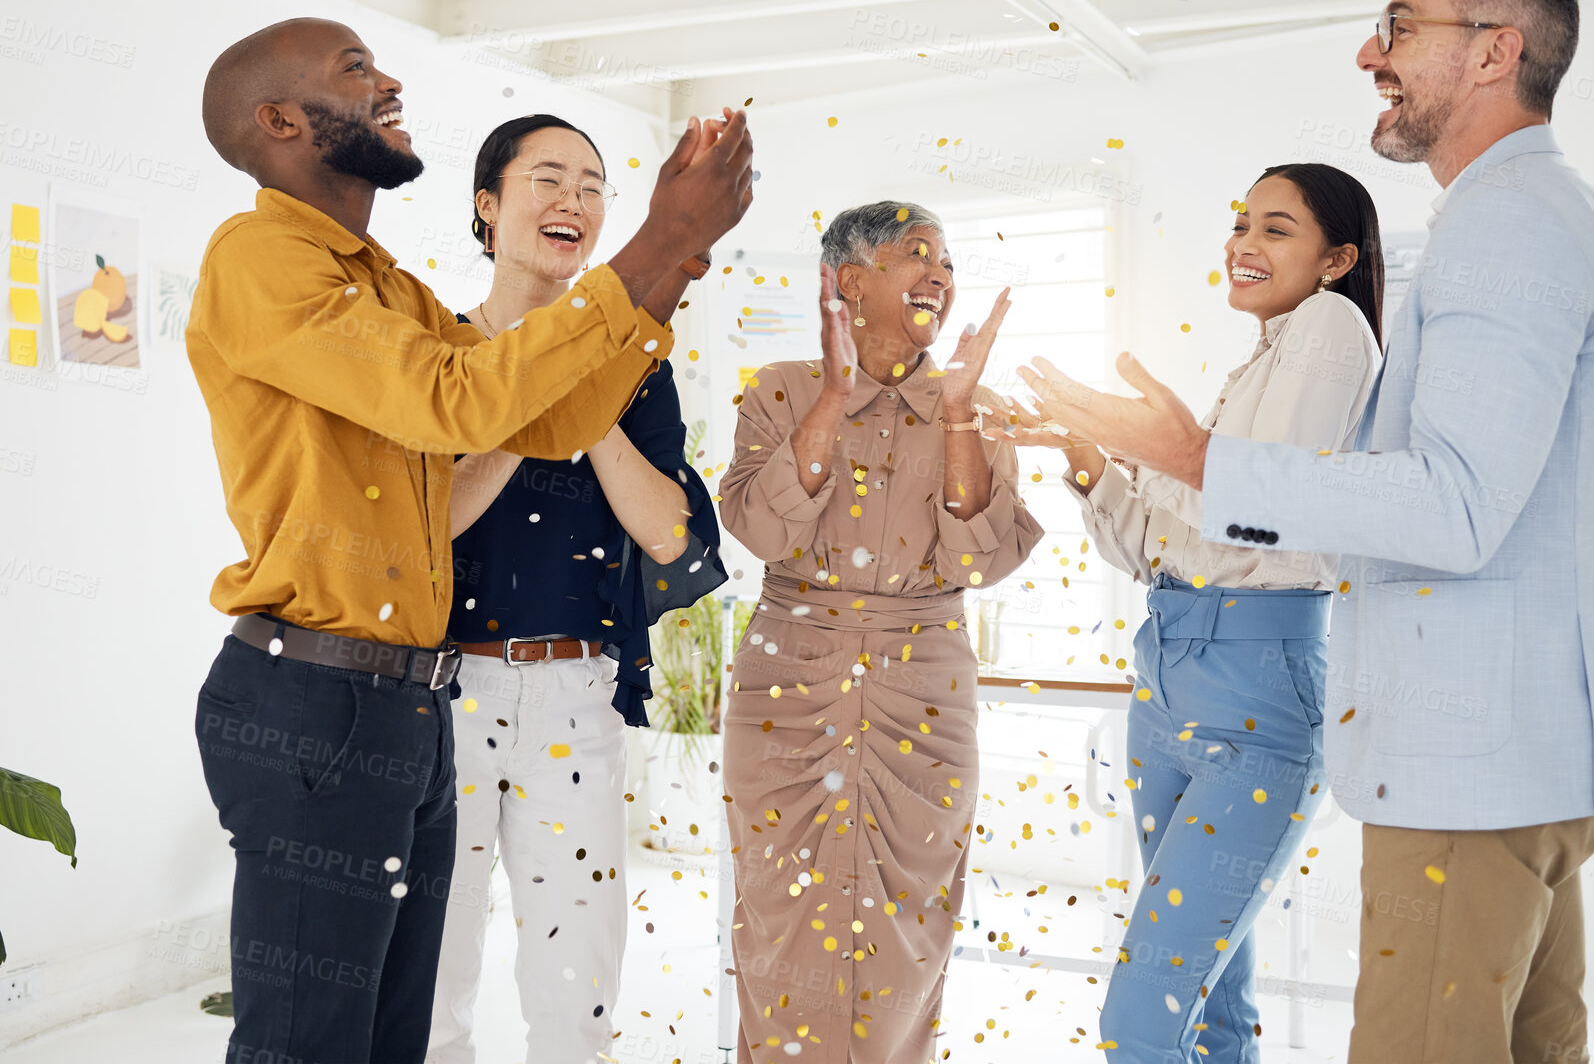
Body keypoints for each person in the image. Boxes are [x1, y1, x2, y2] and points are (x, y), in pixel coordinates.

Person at [1022, 0, 1594, 1064]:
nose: (1370, 50)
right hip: (1520, 758)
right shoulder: (1539, 213)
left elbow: (1453, 507)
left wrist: (1190, 453)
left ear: (1492, 53)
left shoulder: (1506, 223)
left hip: (1470, 765)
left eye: (1401, 29)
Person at [188, 16, 752, 1064]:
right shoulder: (258, 256)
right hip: (314, 702)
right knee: (315, 1041)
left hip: (403, 702)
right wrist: (642, 255)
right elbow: (458, 403)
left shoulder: (390, 289)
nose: (390, 78)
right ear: (279, 119)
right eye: (356, 69)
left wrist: (663, 270)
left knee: (395, 1036)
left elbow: (536, 421)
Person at [1000, 164, 1383, 1061]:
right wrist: (1092, 458)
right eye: (1242, 222)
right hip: (1168, 675)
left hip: (1254, 692)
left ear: (1338, 260)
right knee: (1213, 998)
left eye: (1276, 229)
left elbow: (1261, 509)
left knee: (1142, 1015)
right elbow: (1155, 552)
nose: (1244, 243)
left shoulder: (1330, 327)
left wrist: (1151, 448)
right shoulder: (1261, 360)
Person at [426, 113, 727, 1064]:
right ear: (488, 206)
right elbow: (424, 529)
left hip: (574, 696)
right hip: (442, 694)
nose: (575, 201)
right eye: (548, 179)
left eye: (594, 185)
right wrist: (528, 398)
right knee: (431, 970)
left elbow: (671, 532)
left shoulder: (636, 366)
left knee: (578, 975)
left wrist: (586, 390)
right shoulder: (433, 351)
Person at [716, 201, 1044, 1061]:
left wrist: (963, 412)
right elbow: (760, 530)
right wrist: (834, 394)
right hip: (790, 672)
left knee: (912, 924)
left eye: (946, 261)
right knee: (779, 914)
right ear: (848, 281)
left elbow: (979, 557)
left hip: (924, 683)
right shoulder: (780, 388)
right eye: (916, 254)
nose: (939, 273)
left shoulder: (978, 402)